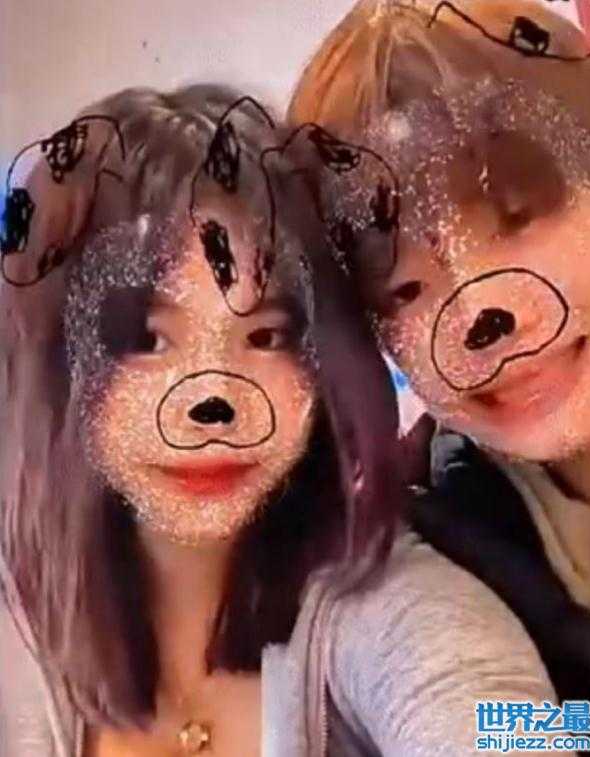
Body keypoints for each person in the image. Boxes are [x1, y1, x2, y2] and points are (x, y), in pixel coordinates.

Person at [0, 83, 560, 757]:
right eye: (147, 339)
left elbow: (512, 723)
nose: (214, 398)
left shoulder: (407, 609)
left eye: (265, 336)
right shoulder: (19, 629)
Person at [288, 0, 590, 741]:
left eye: (516, 219)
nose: (475, 313)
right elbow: (519, 727)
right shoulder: (433, 556)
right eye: (403, 288)